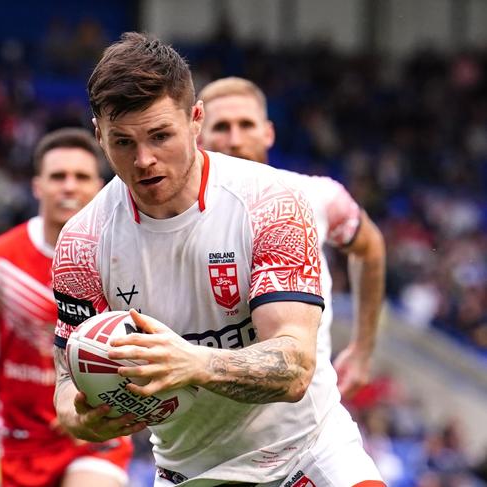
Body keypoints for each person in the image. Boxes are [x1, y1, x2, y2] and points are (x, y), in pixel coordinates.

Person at [52, 32, 385, 487]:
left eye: (160, 135)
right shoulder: (81, 242)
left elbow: (294, 367)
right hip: (191, 471)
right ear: (98, 136)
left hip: (306, 454)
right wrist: (82, 418)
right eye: (123, 142)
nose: (144, 159)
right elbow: (66, 383)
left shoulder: (274, 201)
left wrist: (193, 363)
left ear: (195, 120)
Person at [0, 128, 133, 487]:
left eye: (81, 176)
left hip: (95, 433)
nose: (69, 186)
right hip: (22, 439)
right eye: (58, 176)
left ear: (99, 185)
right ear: (38, 186)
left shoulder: (125, 257)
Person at [198, 76, 386, 399]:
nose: (234, 139)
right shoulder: (173, 214)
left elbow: (371, 248)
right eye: (221, 127)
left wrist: (362, 348)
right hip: (211, 423)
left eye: (246, 125)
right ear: (197, 136)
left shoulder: (317, 196)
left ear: (268, 133)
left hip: (309, 417)